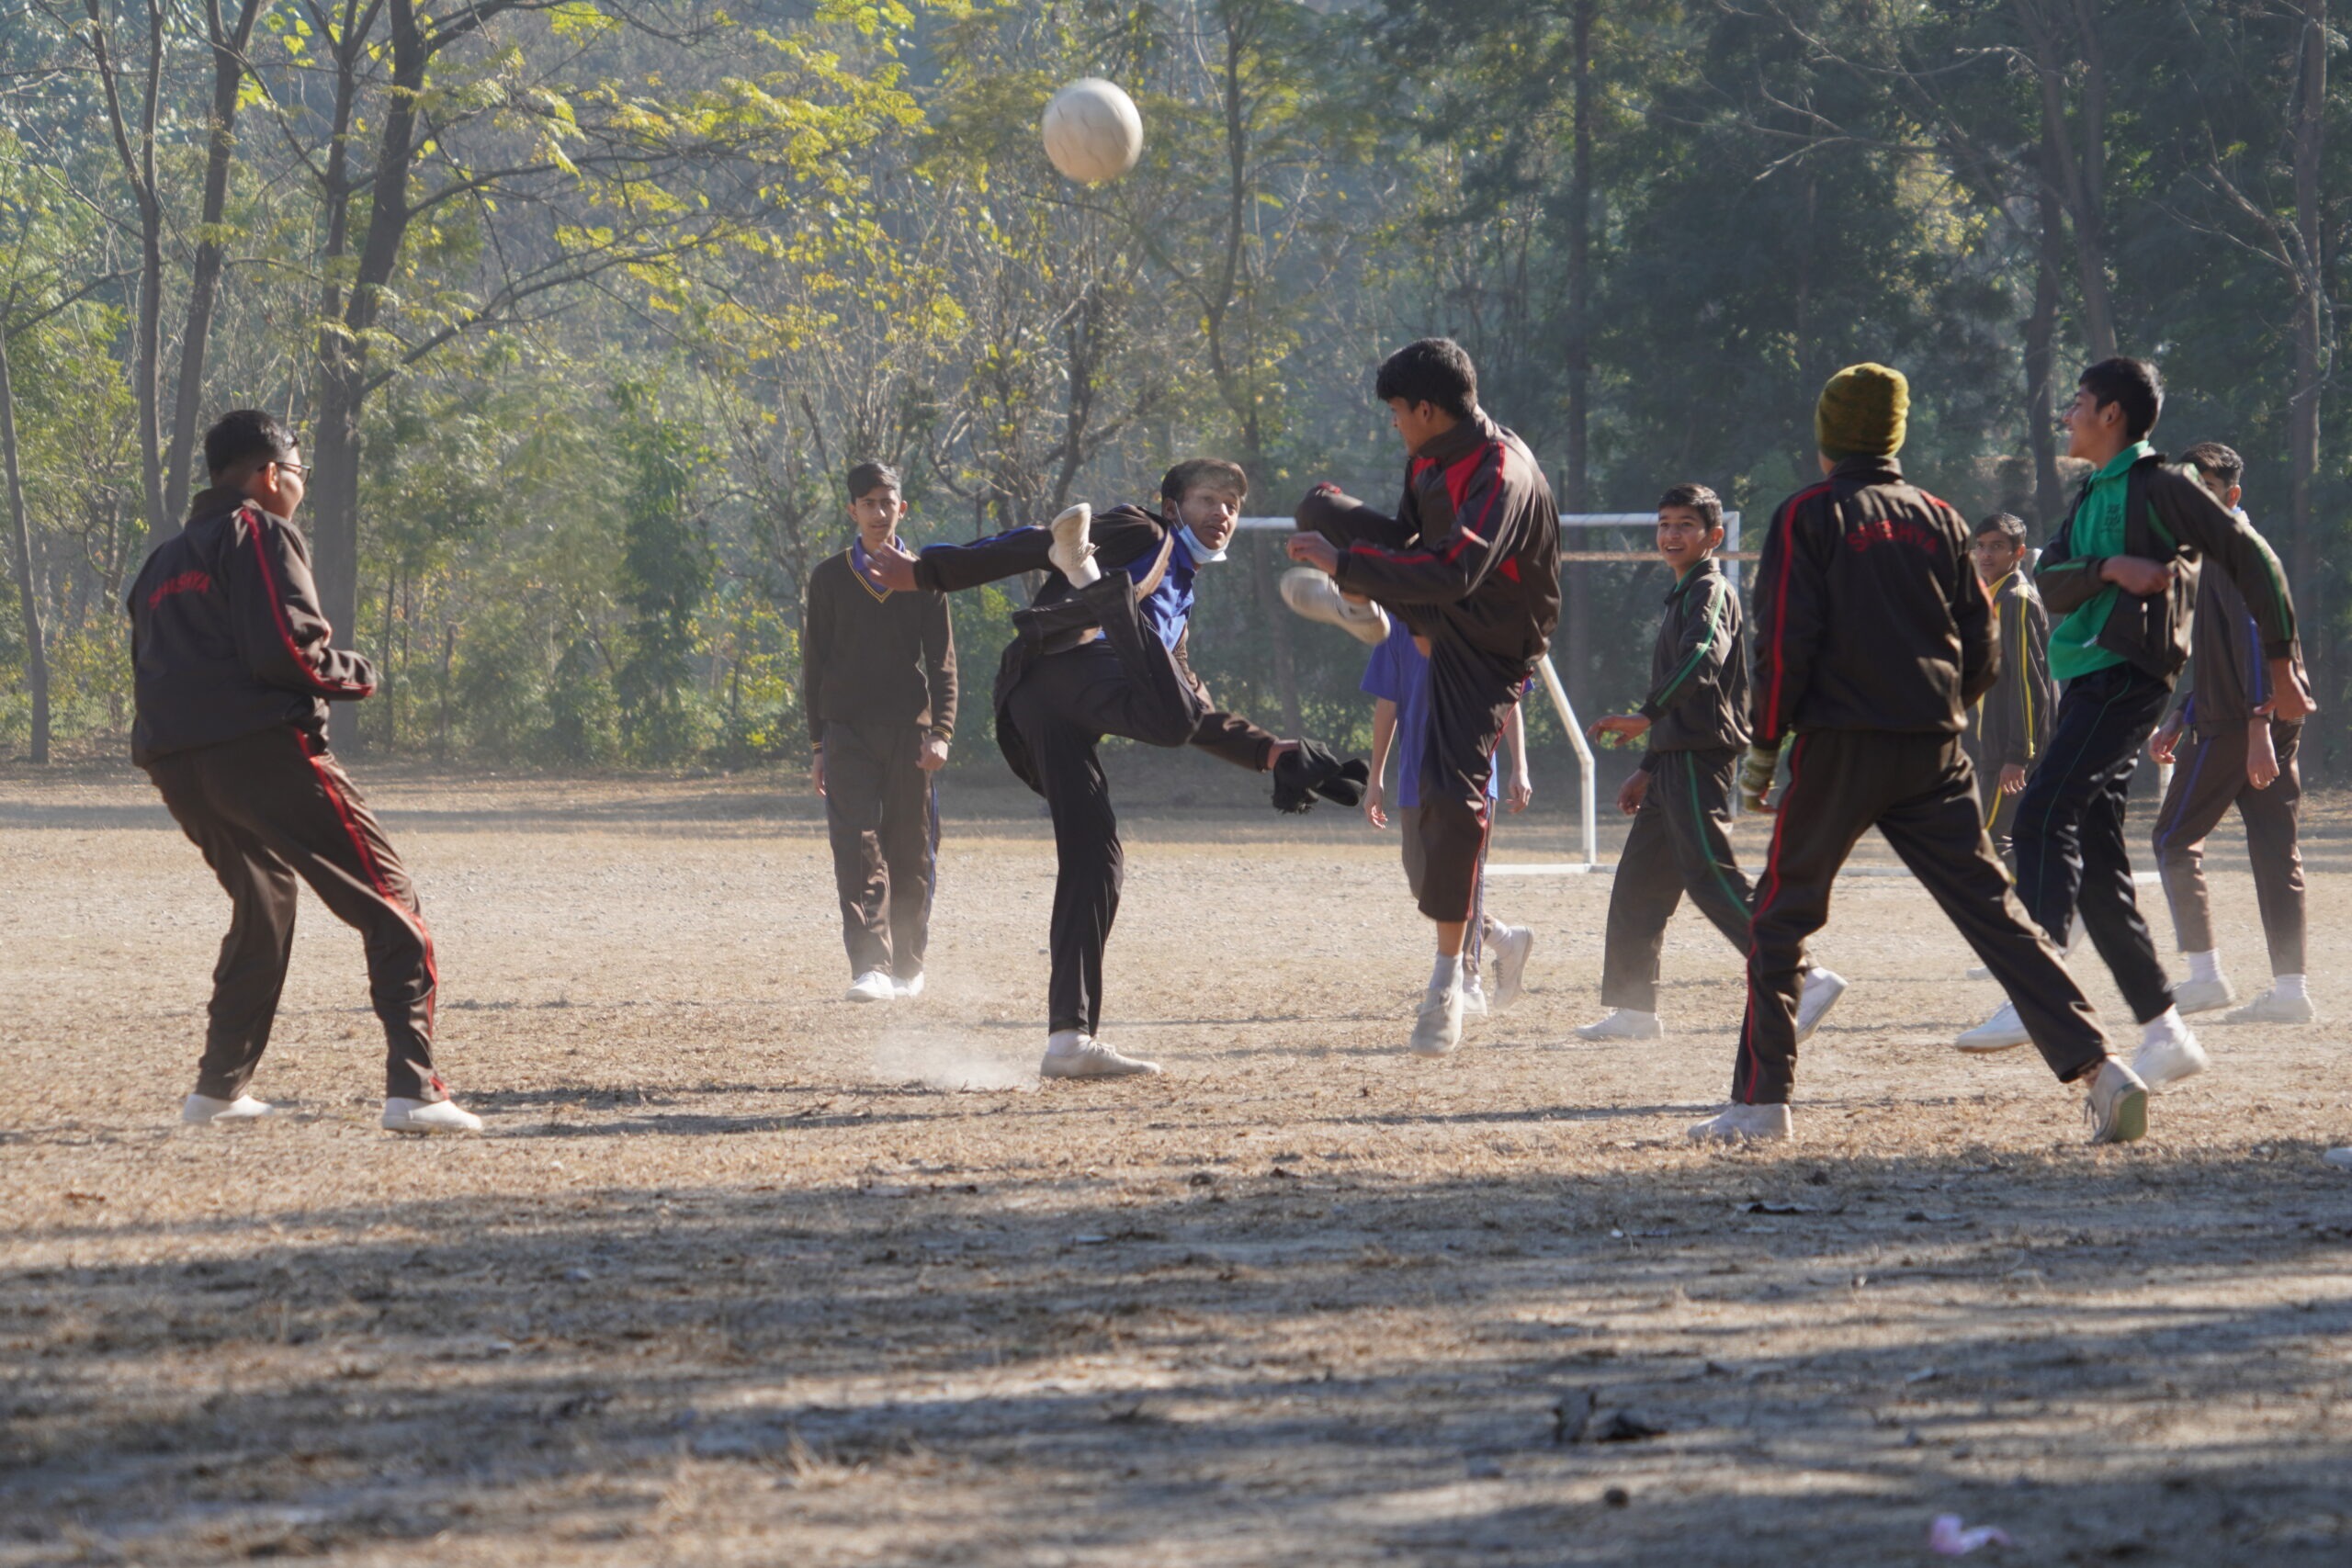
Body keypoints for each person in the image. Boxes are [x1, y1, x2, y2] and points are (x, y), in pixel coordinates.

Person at [1688, 364, 2146, 1145]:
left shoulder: (1807, 514)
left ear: (1831, 434)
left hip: (1839, 749)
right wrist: (1948, 708)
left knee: (1778, 919)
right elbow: (1983, 639)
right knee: (1996, 914)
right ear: (1894, 434)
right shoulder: (1939, 515)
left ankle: (1763, 1103)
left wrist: (1764, 749)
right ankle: (2105, 1070)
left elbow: (1785, 644)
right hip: (1933, 747)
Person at [866, 459, 1324, 1079]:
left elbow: (1189, 705)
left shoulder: (1178, 602)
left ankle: (1068, 1039)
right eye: (1208, 500)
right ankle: (1089, 579)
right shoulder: (1141, 531)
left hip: (1051, 704)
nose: (1222, 515)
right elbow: (1033, 541)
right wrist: (926, 571)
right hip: (1064, 664)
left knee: (1097, 859)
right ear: (1172, 506)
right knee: (1175, 708)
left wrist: (1270, 752)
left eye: (1233, 506)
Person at [1957, 360, 2312, 1089]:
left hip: (2126, 676)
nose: (2068, 416)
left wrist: (2280, 666)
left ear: (2112, 414)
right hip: (2087, 673)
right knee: (2096, 865)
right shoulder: (2090, 491)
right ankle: (2165, 1030)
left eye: (2079, 404)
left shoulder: (2162, 485)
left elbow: (2252, 559)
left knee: (2040, 815)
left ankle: (2035, 992)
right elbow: (2052, 579)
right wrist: (2112, 566)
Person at [126, 410, 481, 1134]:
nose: (299, 489)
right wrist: (356, 673)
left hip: (176, 763)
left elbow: (155, 670)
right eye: (298, 474)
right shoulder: (257, 529)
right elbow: (287, 652)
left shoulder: (160, 564)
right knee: (392, 905)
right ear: (267, 473)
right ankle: (415, 1092)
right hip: (260, 748)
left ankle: (217, 1090)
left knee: (265, 902)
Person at [1285, 337, 1562, 1057]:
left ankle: (1448, 980)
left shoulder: (1503, 472)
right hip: (1437, 608)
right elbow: (1412, 539)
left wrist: (1351, 564)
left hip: (1489, 643)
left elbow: (1457, 570)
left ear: (1428, 410)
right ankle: (1370, 612)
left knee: (1447, 790)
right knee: (1316, 505)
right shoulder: (1428, 456)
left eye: (1397, 412)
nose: (1393, 424)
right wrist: (1350, 548)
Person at [1579, 484, 1847, 1043]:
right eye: (1664, 523)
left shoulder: (1712, 590)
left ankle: (1806, 976)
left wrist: (1645, 717)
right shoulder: (1679, 593)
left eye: (1685, 524)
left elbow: (1702, 657)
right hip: (1673, 759)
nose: (1672, 534)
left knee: (1712, 878)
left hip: (1701, 758)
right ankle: (1635, 1011)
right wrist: (1648, 765)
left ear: (1713, 537)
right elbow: (1686, 683)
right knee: (1637, 886)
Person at [2146, 442, 2312, 1025]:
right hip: (2243, 715)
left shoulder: (2232, 553)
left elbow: (2257, 642)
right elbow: (2216, 651)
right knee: (2274, 850)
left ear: (2231, 495)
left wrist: (2258, 727)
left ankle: (2206, 978)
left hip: (2243, 722)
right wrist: (2178, 714)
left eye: (2205, 490)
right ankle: (2291, 992)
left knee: (2171, 840)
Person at [803, 462, 956, 1004]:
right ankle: (870, 965)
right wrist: (819, 745)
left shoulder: (924, 578)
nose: (877, 513)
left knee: (910, 847)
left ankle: (908, 965)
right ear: (852, 510)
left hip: (910, 735)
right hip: (845, 732)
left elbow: (942, 664)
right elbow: (814, 664)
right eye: (867, 503)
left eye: (886, 503)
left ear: (902, 508)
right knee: (855, 844)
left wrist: (940, 733)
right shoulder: (829, 577)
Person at [1357, 614, 1536, 1015]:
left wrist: (1519, 767)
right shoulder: (1399, 624)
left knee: (1462, 878)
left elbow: (1510, 698)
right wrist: (1376, 778)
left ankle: (1468, 981)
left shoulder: (1487, 622)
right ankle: (1507, 941)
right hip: (1414, 780)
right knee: (1425, 885)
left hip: (1473, 776)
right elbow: (1388, 703)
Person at [1963, 513, 2054, 868]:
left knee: (1990, 840)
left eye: (1997, 547)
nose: (1986, 554)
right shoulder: (1990, 597)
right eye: (1982, 546)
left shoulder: (2016, 600)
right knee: (2000, 838)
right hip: (1995, 746)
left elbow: (2029, 683)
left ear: (2017, 553)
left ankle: (2038, 916)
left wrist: (2019, 755)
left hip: (2012, 751)